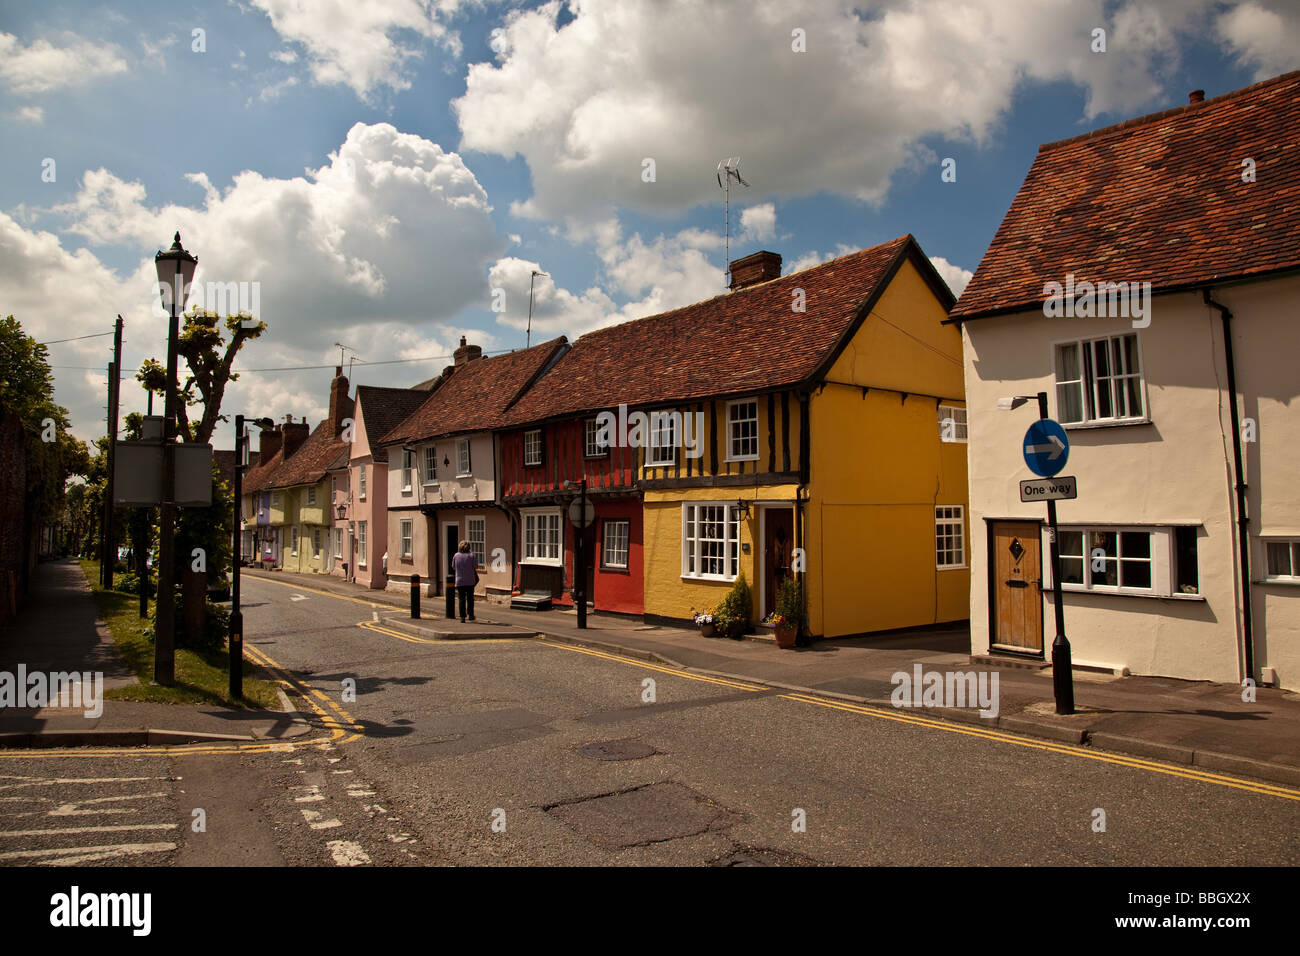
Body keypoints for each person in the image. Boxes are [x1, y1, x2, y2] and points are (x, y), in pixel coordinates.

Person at [452, 540, 478, 622]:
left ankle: (462, 617)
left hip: (460, 580)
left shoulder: (456, 556)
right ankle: (470, 615)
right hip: (470, 580)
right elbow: (475, 566)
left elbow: (453, 567)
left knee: (461, 599)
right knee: (470, 599)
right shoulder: (471, 556)